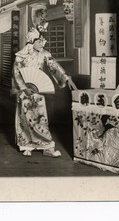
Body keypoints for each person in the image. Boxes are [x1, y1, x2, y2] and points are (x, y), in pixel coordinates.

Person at [12, 27, 77, 157]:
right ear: (31, 42)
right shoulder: (21, 56)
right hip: (25, 91)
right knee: (25, 118)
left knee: (40, 118)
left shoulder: (45, 54)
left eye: (42, 41)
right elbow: (16, 73)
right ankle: (26, 144)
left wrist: (66, 78)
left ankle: (47, 146)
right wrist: (24, 88)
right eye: (39, 41)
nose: (42, 44)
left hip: (38, 90)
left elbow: (54, 66)